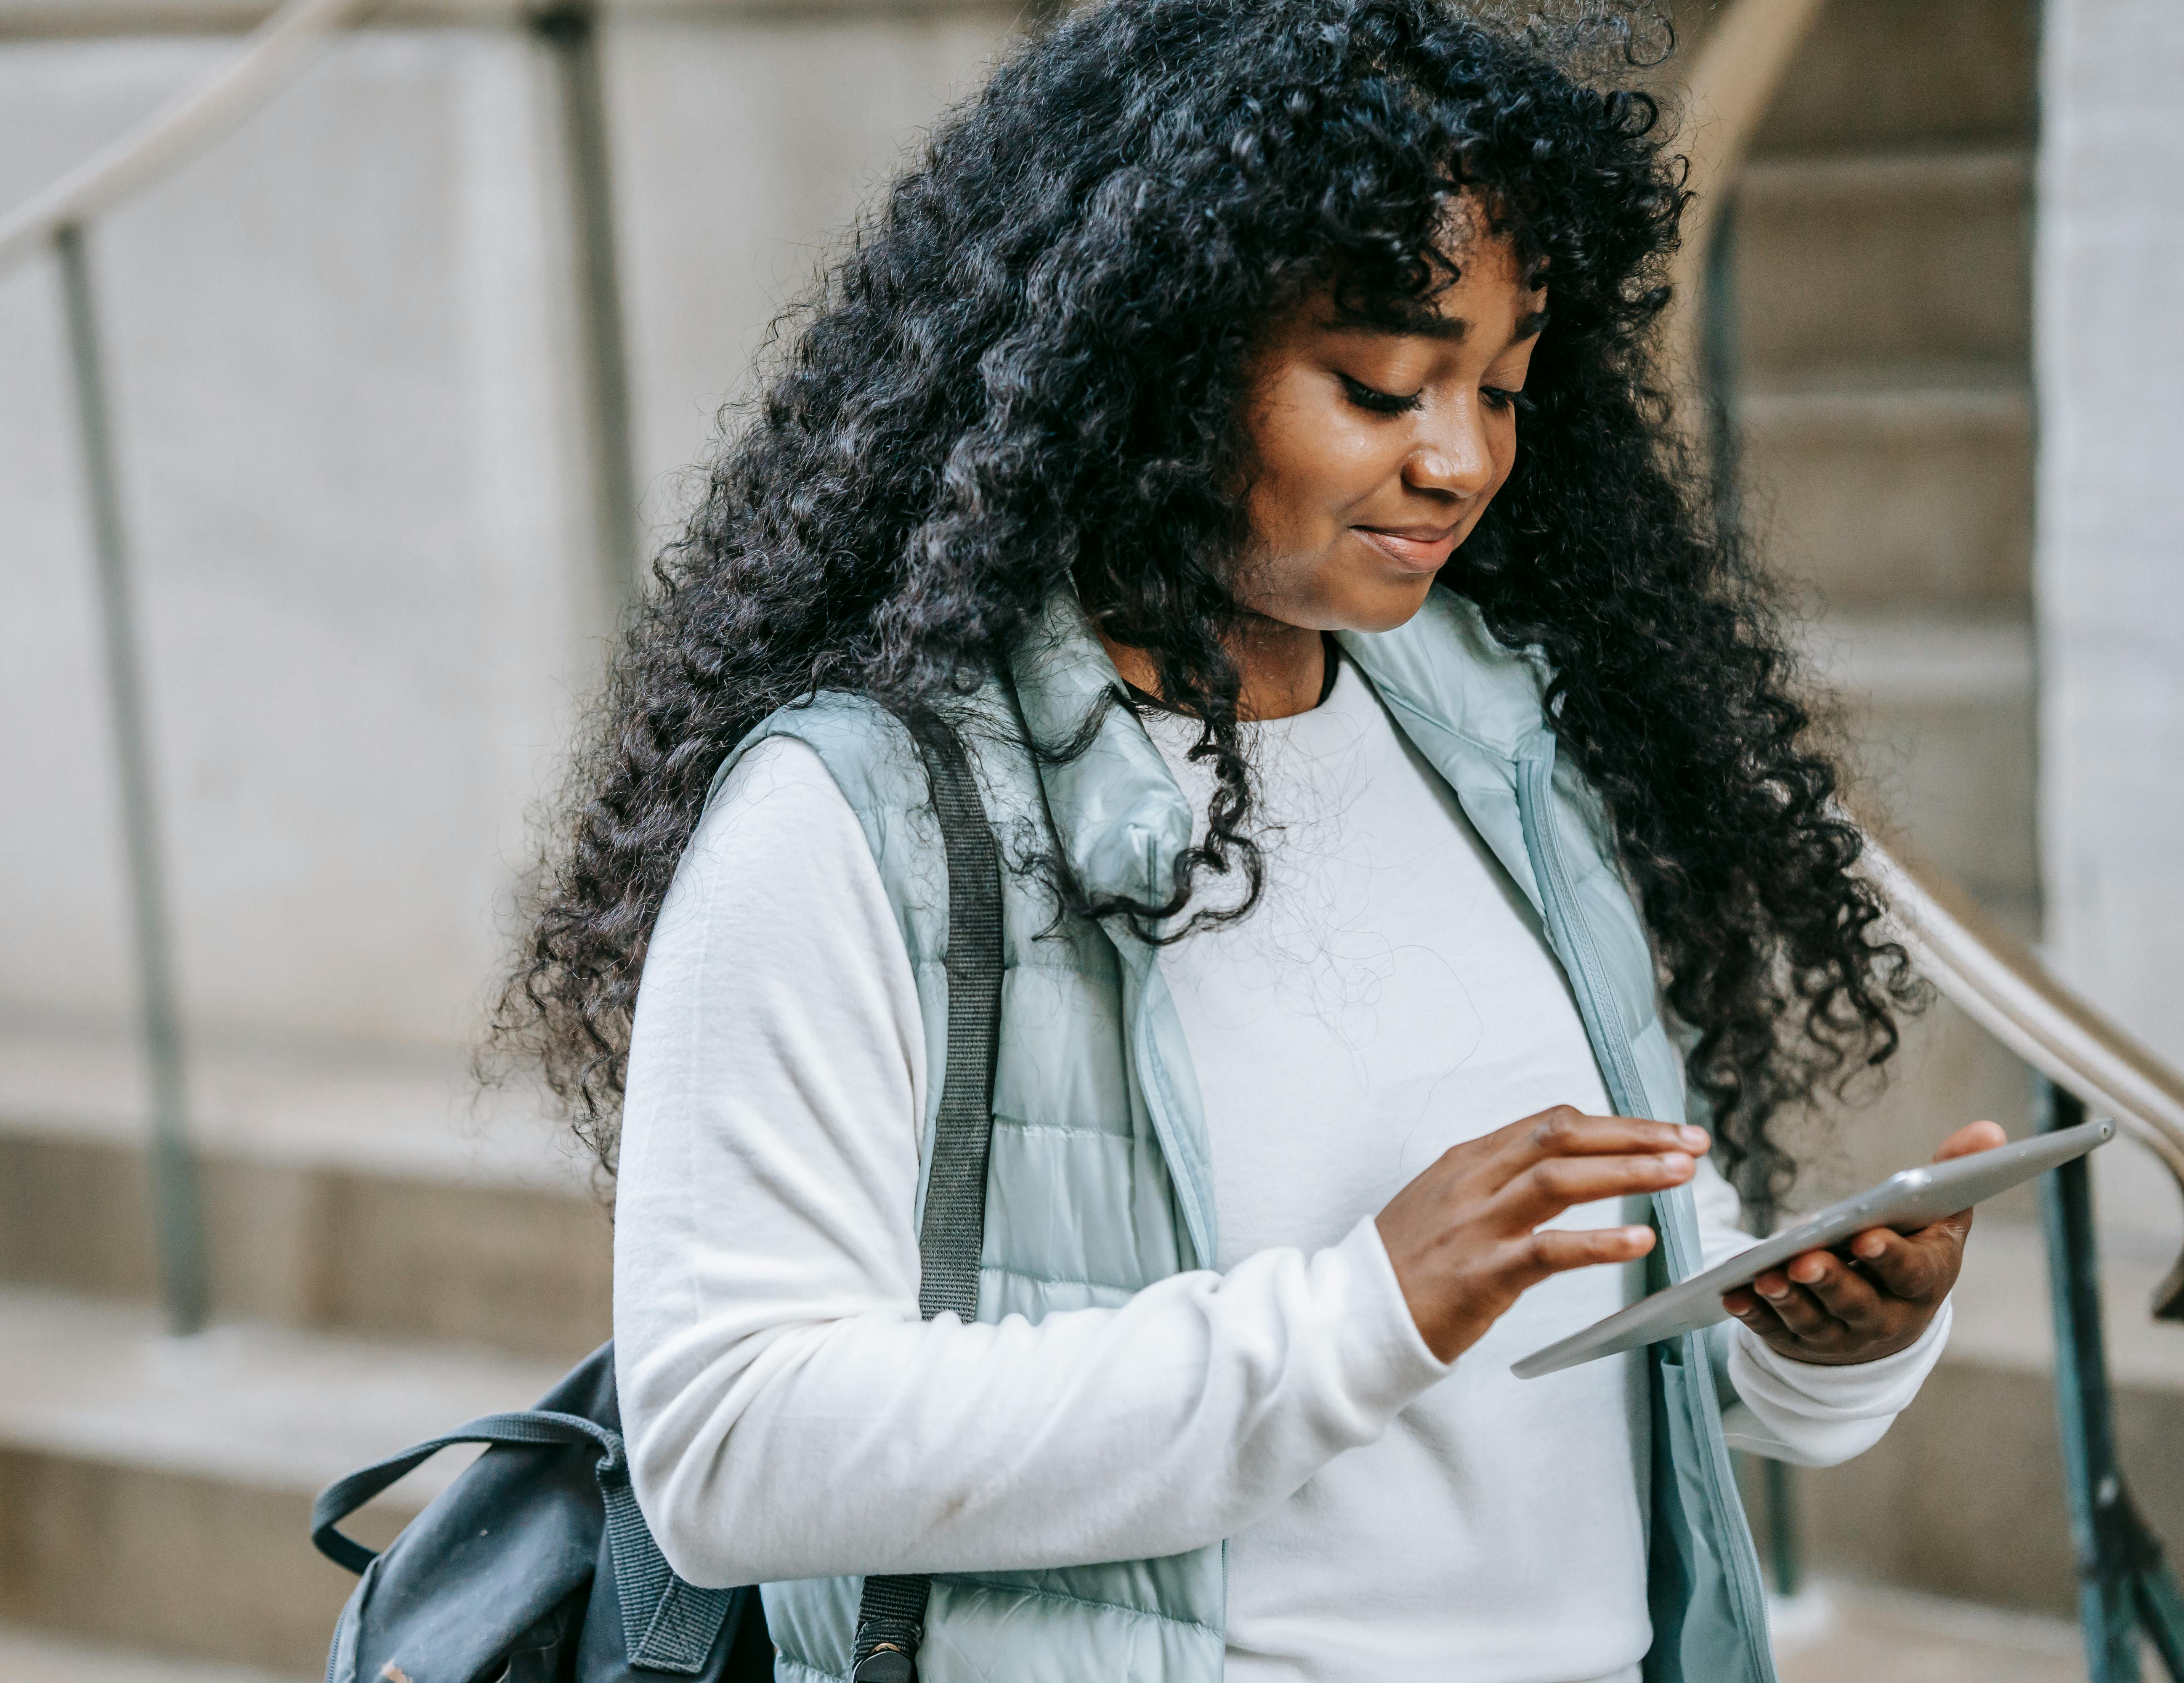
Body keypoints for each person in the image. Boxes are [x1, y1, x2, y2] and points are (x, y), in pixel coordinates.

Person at [493, 2, 2000, 1678]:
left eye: (1501, 387)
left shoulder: (1493, 732)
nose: (1460, 459)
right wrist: (1352, 1316)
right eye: (1379, 384)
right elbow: (730, 1447)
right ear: (1151, 353)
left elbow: (1573, 1289)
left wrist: (1811, 1339)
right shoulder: (859, 820)